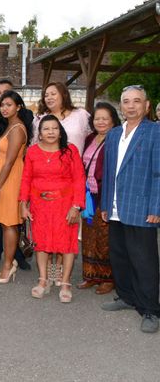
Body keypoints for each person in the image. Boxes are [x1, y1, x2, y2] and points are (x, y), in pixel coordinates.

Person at [100, 85, 160, 334]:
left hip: (141, 207)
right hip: (115, 208)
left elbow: (158, 174)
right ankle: (126, 296)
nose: (131, 106)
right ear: (121, 106)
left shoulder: (155, 132)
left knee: (144, 261)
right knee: (120, 256)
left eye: (137, 101)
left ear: (146, 106)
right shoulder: (114, 134)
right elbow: (108, 172)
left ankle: (150, 310)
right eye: (126, 101)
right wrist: (104, 204)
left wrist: (156, 206)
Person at [19, 115, 85, 302]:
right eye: (46, 129)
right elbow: (26, 179)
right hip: (40, 206)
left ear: (60, 131)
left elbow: (79, 179)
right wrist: (23, 204)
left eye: (54, 128)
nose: (50, 132)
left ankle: (64, 283)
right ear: (39, 133)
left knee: (65, 244)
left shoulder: (70, 150)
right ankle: (43, 281)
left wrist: (76, 206)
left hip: (65, 205)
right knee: (43, 243)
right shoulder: (32, 152)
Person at [31, 82, 91, 285]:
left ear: (63, 94)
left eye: (53, 94)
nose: (49, 97)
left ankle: (61, 275)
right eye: (46, 94)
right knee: (47, 232)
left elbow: (90, 139)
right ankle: (50, 273)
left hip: (71, 178)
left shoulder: (80, 115)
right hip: (47, 179)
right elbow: (35, 150)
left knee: (65, 232)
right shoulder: (39, 119)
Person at [0, 79, 32, 270]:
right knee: (5, 224)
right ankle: (8, 263)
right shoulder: (9, 126)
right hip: (2, 178)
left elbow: (10, 161)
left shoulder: (17, 129)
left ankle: (8, 266)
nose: (4, 108)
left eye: (9, 105)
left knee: (10, 224)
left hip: (10, 180)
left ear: (18, 107)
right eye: (2, 105)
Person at [77, 102, 120, 294]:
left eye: (105, 118)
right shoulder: (89, 138)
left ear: (113, 120)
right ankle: (90, 275)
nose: (100, 121)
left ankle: (107, 278)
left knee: (104, 237)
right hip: (87, 195)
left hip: (105, 194)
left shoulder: (116, 139)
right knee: (88, 235)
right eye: (97, 118)